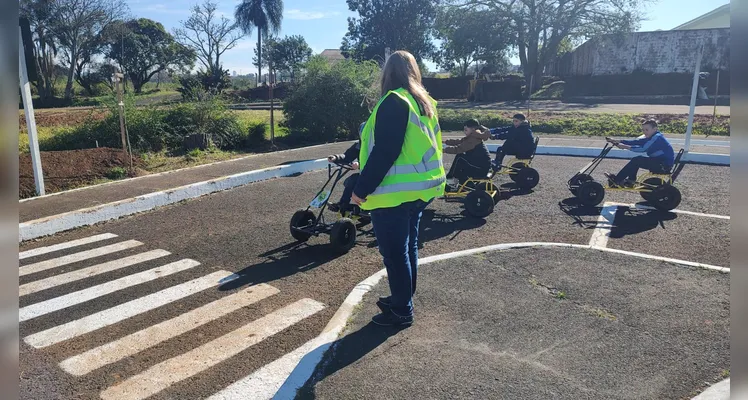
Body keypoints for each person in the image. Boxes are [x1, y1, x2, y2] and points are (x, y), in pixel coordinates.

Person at [351, 50, 446, 327]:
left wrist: (361, 188)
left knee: (395, 254)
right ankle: (402, 298)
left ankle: (402, 309)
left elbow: (386, 151)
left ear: (387, 73)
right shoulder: (423, 103)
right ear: (413, 71)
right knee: (408, 249)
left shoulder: (393, 101)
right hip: (420, 190)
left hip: (393, 193)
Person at [604, 120, 675, 187]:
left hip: (663, 166)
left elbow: (643, 149)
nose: (644, 132)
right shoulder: (653, 136)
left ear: (655, 129)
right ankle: (630, 181)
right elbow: (636, 142)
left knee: (637, 160)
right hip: (660, 162)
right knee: (637, 160)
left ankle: (617, 180)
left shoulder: (657, 137)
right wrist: (617, 140)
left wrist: (625, 147)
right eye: (643, 130)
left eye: (647, 130)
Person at [327, 122, 366, 214]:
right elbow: (347, 156)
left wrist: (360, 164)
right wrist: (336, 157)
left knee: (354, 180)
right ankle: (344, 204)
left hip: (377, 175)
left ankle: (361, 207)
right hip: (364, 174)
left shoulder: (376, 146)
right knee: (350, 181)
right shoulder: (359, 145)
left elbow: (376, 160)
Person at [443, 119, 492, 191]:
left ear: (473, 129)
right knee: (460, 161)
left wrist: (443, 150)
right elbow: (460, 141)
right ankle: (453, 182)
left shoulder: (473, 138)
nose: (464, 132)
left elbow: (458, 149)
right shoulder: (475, 135)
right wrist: (445, 142)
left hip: (481, 169)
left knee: (460, 157)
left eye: (466, 130)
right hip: (481, 166)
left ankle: (450, 180)